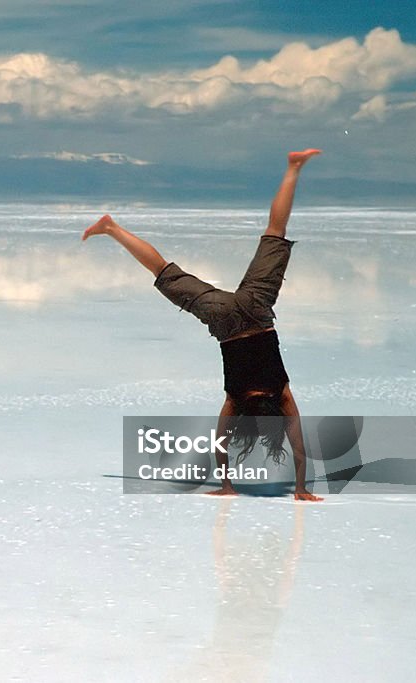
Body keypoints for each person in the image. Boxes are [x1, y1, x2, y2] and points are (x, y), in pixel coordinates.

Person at [83, 149, 324, 501]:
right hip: (225, 320)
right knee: (163, 271)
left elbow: (298, 447)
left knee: (274, 232)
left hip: (256, 311)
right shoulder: (236, 399)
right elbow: (222, 443)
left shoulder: (280, 393)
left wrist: (297, 485)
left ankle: (293, 167)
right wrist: (233, 485)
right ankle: (111, 228)